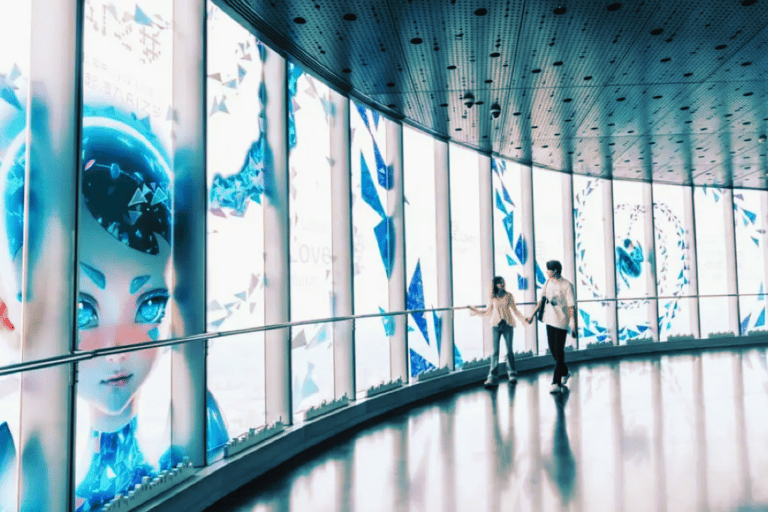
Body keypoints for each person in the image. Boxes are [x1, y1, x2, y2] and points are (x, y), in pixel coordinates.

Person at [527, 260, 577, 393]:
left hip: (561, 319)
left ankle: (556, 381)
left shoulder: (567, 285)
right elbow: (541, 300)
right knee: (553, 349)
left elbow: (571, 306)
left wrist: (574, 324)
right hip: (549, 318)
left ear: (554, 271)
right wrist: (532, 315)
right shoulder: (548, 282)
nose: (546, 272)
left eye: (548, 270)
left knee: (558, 349)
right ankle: (565, 372)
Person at [470, 276, 526, 387]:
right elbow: (487, 311)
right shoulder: (492, 297)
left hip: (507, 325)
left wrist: (524, 319)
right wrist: (475, 311)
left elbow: (515, 310)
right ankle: (492, 377)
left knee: (509, 350)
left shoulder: (509, 296)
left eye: (502, 282)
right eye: (499, 283)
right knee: (495, 352)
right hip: (495, 325)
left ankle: (512, 374)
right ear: (495, 285)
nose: (501, 284)